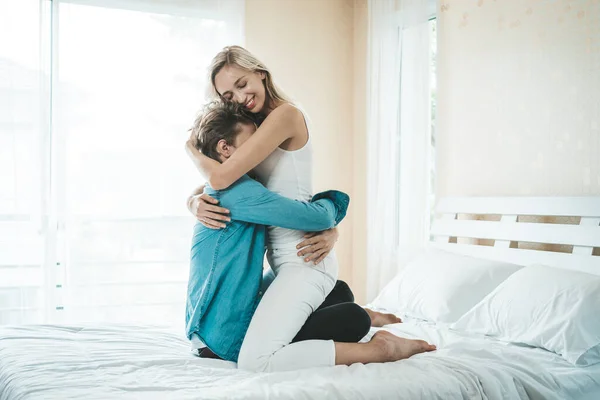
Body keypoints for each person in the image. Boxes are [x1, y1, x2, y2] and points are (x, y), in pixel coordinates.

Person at [186, 46, 435, 372]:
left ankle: (382, 349)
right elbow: (231, 183)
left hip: (304, 260)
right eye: (228, 95)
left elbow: (219, 179)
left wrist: (190, 149)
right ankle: (354, 311)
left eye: (243, 83)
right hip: (284, 265)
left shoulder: (285, 115)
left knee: (255, 361)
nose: (240, 97)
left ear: (260, 72)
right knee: (259, 327)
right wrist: (192, 201)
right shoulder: (254, 130)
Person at [186, 101, 370, 362]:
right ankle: (382, 346)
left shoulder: (229, 189)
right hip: (223, 337)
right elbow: (315, 217)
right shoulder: (239, 192)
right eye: (252, 142)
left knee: (339, 292)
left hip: (209, 330)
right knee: (353, 318)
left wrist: (332, 232)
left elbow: (297, 213)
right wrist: (332, 213)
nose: (263, 150)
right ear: (225, 148)